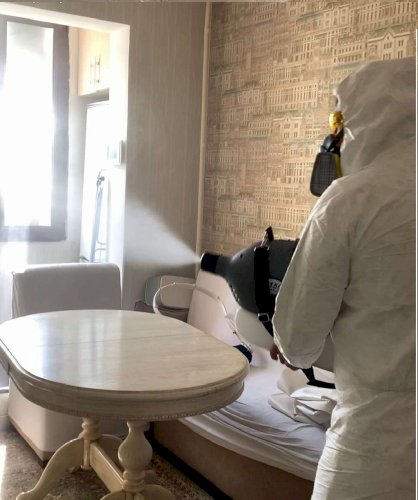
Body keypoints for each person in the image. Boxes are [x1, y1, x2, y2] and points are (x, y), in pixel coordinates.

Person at [270, 56, 415, 499]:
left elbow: (297, 341)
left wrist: (289, 347)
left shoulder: (349, 200)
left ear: (368, 122)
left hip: (374, 452)